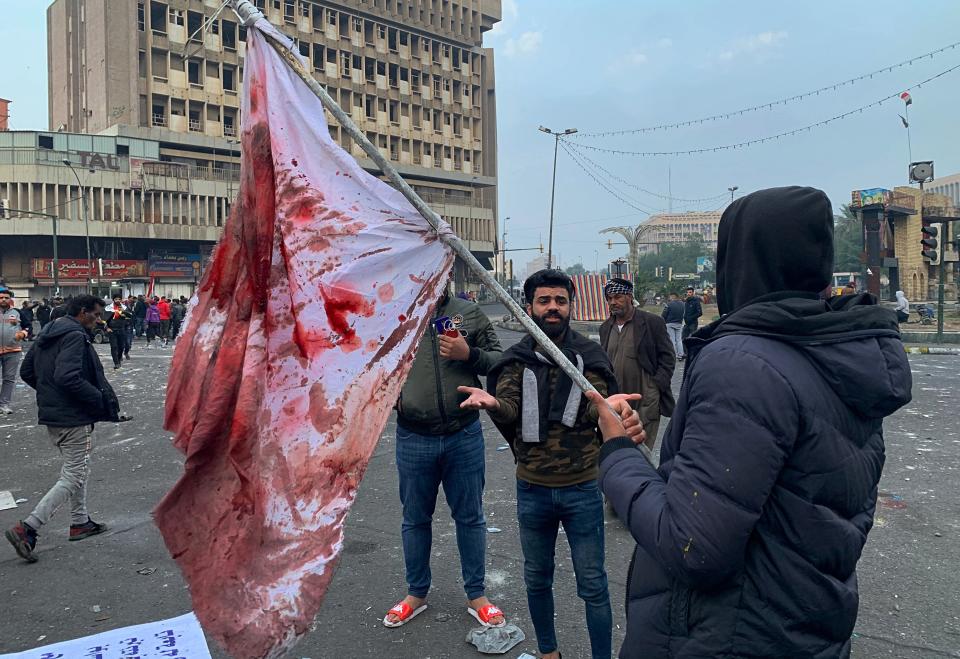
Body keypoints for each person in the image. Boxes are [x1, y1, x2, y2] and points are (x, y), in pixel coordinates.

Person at [598, 186, 912, 658]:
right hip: (804, 625)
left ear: (740, 260)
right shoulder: (841, 352)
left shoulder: (743, 363)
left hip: (725, 636)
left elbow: (694, 546)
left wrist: (619, 455)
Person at [457, 269, 641, 659]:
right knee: (537, 579)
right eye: (544, 300)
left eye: (560, 300)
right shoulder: (517, 359)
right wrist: (493, 405)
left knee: (593, 583)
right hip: (533, 489)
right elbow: (508, 407)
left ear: (571, 306)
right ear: (529, 307)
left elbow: (601, 411)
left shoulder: (588, 357)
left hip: (582, 489)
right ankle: (548, 652)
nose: (552, 307)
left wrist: (616, 413)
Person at [383, 283, 507, 630]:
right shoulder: (393, 315)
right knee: (415, 519)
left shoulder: (466, 312)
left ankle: (476, 595)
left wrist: (469, 354)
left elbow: (501, 360)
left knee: (470, 517)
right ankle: (416, 593)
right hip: (413, 435)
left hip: (462, 434)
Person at [6, 295, 129, 564]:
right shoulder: (74, 335)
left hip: (56, 415)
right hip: (73, 418)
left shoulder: (49, 332)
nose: (99, 321)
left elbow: (28, 371)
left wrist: (51, 396)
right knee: (73, 475)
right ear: (82, 312)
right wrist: (97, 398)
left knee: (77, 469)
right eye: (96, 315)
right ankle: (28, 528)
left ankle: (80, 522)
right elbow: (67, 376)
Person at [599, 278, 676, 449]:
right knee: (618, 450)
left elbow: (668, 357)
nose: (613, 302)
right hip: (617, 401)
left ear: (629, 296)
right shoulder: (605, 328)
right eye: (609, 298)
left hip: (645, 400)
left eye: (618, 297)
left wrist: (655, 386)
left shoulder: (651, 323)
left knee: (642, 451)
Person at [0, 288, 27, 414]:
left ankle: (4, 404)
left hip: (13, 351)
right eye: (1, 297)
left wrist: (23, 333)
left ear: (10, 299)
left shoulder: (17, 312)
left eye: (6, 297)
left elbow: (28, 326)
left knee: (9, 379)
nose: (4, 300)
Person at [104, 294, 132, 369]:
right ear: (113, 300)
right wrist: (107, 328)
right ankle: (116, 363)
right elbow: (104, 320)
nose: (118, 301)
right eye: (116, 299)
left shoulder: (124, 307)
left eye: (119, 299)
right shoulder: (108, 308)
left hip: (122, 329)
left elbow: (131, 316)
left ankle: (119, 359)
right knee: (114, 347)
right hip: (112, 330)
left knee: (121, 346)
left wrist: (124, 312)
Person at [660, 292, 685, 360]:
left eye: (670, 297)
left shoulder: (669, 304)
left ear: (673, 297)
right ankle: (680, 355)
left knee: (671, 340)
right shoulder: (682, 304)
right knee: (679, 340)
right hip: (679, 323)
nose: (669, 298)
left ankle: (673, 355)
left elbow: (664, 315)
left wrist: (662, 321)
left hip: (670, 323)